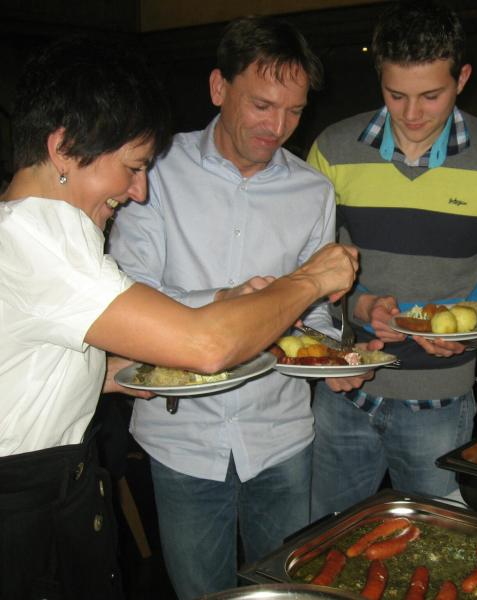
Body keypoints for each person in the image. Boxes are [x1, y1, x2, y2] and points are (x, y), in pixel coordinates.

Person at [0, 37, 356, 600]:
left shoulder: (28, 229)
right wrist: (308, 280)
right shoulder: (43, 239)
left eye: (294, 110)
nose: (139, 191)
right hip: (28, 499)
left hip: (64, 482)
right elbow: (206, 346)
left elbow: (31, 369)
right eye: (133, 167)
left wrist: (108, 374)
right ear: (64, 148)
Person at [106, 17, 351, 600]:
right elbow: (127, 294)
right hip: (183, 437)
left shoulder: (314, 190)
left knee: (286, 590)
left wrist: (333, 357)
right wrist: (226, 300)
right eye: (262, 105)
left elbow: (313, 312)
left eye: (294, 111)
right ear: (219, 87)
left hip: (282, 435)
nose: (278, 127)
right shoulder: (154, 171)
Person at [306, 0, 477, 519]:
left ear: (462, 79)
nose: (411, 115)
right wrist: (361, 305)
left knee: (437, 542)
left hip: (441, 396)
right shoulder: (332, 150)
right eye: (396, 95)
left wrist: (476, 330)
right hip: (344, 387)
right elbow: (304, 270)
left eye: (431, 95)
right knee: (330, 536)